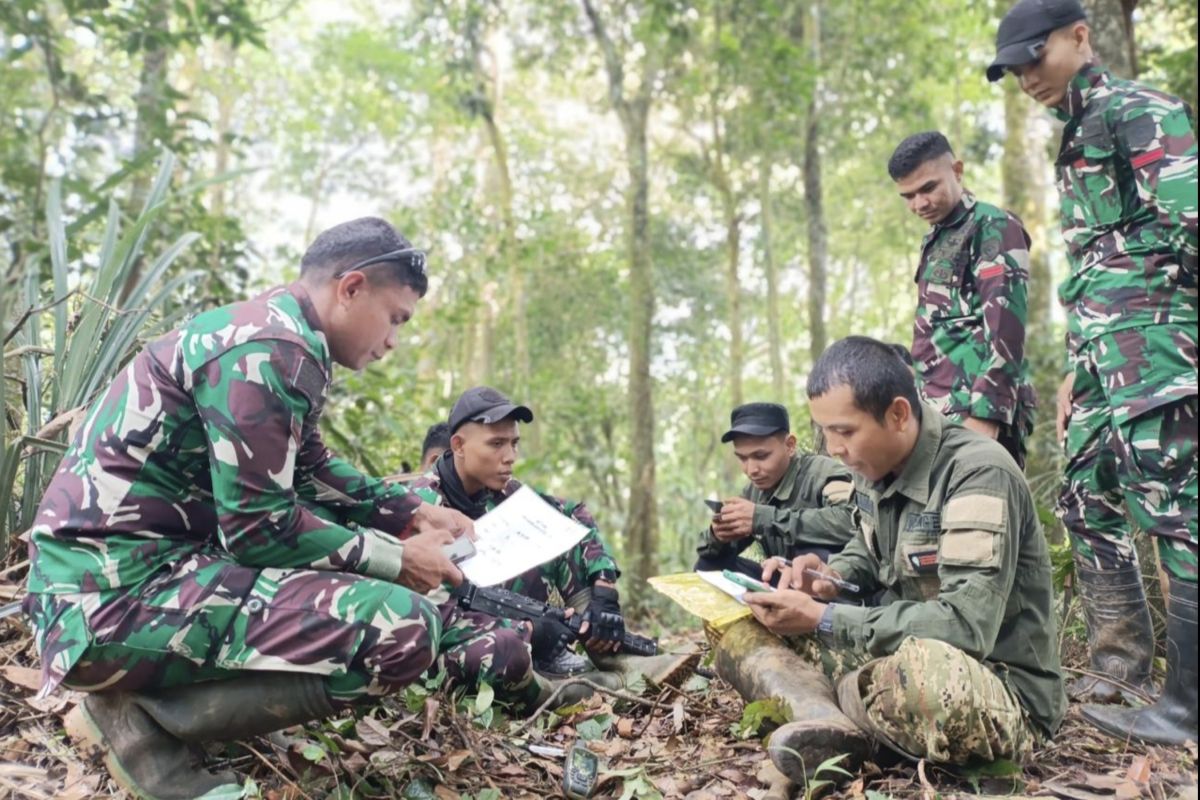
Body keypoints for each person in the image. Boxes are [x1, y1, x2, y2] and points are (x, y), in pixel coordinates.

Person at [22, 217, 477, 799]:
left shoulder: (273, 332)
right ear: (352, 287)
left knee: (364, 583)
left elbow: (306, 466)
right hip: (106, 604)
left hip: (132, 580)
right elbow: (259, 528)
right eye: (396, 319)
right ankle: (140, 727)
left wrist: (411, 514)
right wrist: (397, 558)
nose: (393, 341)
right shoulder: (272, 349)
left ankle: (159, 707)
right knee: (403, 628)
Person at [989, 0, 1197, 745]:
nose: (1024, 78)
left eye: (1032, 59)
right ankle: (1120, 671)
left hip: (1159, 349)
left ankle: (1187, 707)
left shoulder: (1141, 110)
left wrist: (1173, 326)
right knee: (1086, 496)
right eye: (1013, 69)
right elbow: (1093, 266)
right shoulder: (1078, 133)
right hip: (1106, 359)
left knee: (1180, 512)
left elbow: (1192, 223)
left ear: (1081, 37)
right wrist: (1080, 362)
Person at [720, 337, 1063, 781]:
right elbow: (868, 547)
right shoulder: (873, 467)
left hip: (992, 684)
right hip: (891, 657)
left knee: (927, 679)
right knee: (747, 623)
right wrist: (828, 575)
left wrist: (824, 618)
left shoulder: (978, 472)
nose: (833, 449)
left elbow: (966, 626)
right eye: (824, 431)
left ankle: (832, 713)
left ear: (898, 414)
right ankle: (838, 718)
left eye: (844, 431)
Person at [411, 386, 698, 689]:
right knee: (500, 656)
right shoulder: (419, 507)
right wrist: (528, 630)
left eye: (514, 443)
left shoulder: (505, 492)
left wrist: (604, 592)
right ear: (458, 445)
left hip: (522, 624)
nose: (510, 457)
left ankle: (614, 659)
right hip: (459, 641)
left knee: (560, 529)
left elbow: (573, 515)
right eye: (496, 444)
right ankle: (602, 687)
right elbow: (428, 614)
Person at [888, 130, 1036, 468]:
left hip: (977, 412)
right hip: (939, 414)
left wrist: (988, 415)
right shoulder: (937, 238)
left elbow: (1006, 328)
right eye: (907, 196)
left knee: (983, 517)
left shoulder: (992, 226)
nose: (919, 204)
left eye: (928, 188)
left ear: (957, 170)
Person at [695, 402, 856, 580]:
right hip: (782, 580)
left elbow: (851, 522)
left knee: (810, 552)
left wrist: (763, 518)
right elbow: (712, 549)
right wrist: (718, 536)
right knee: (707, 567)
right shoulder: (753, 491)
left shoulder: (823, 474)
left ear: (790, 445)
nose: (751, 470)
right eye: (742, 458)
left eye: (761, 456)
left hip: (832, 585)